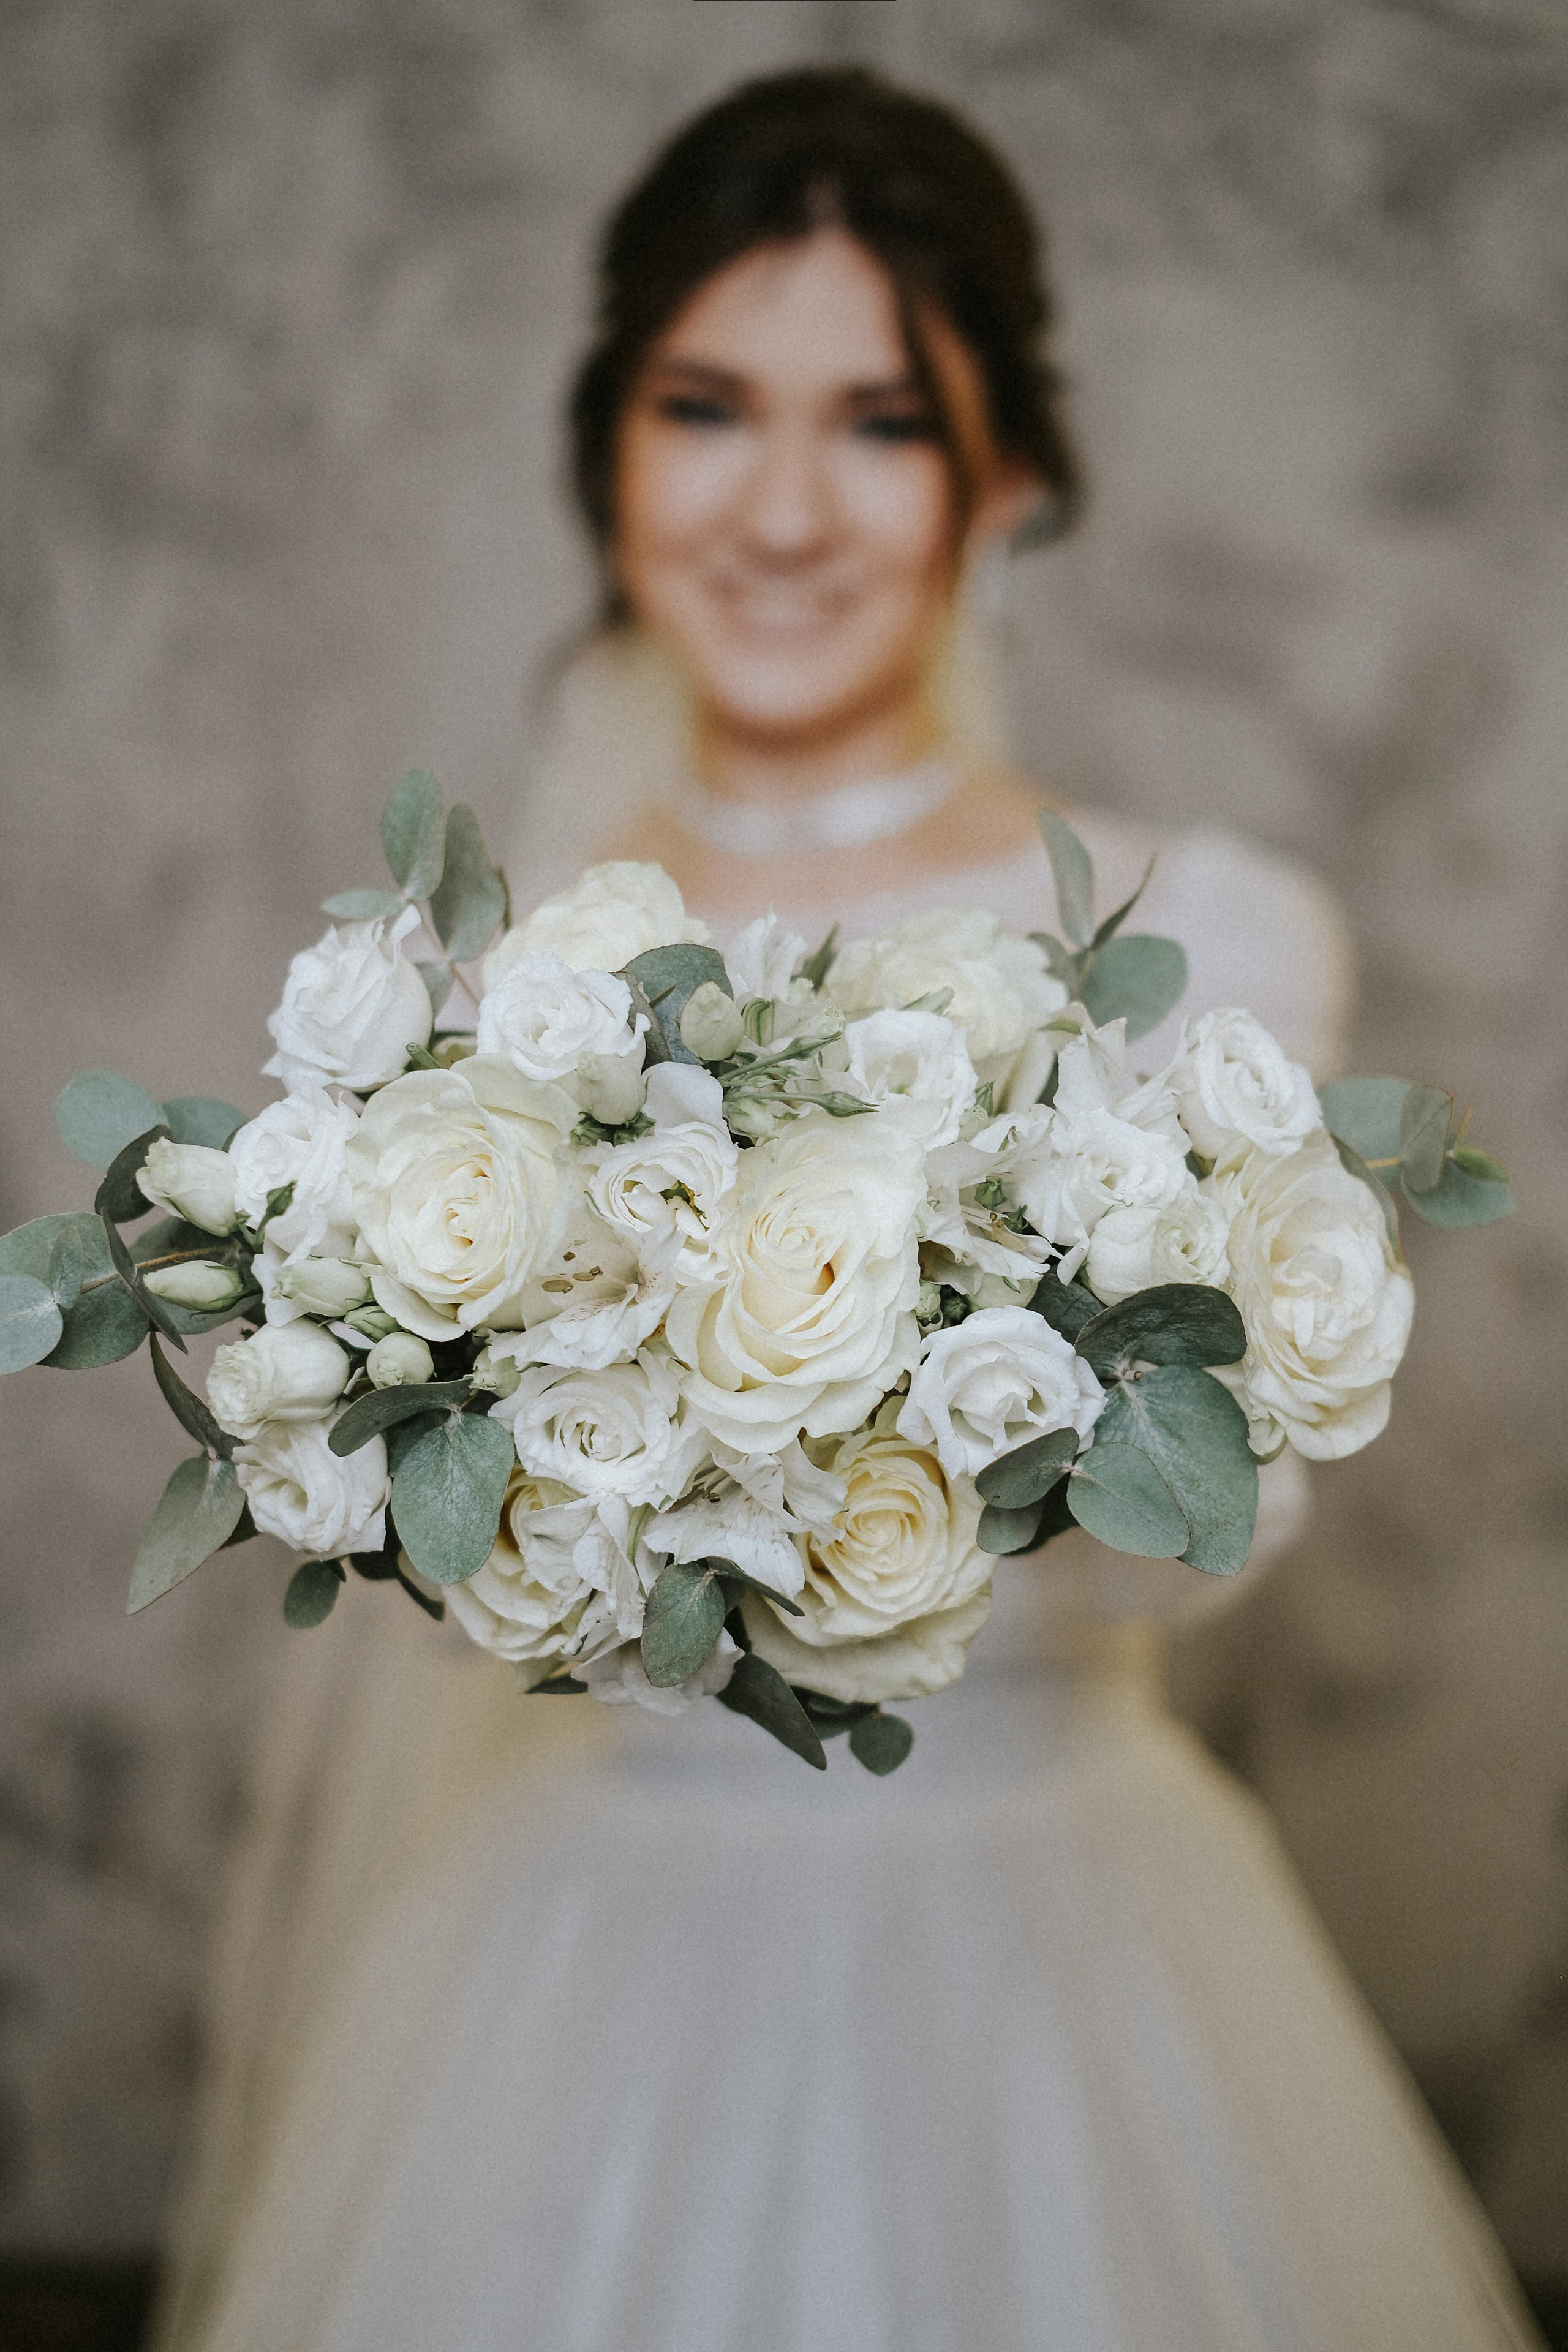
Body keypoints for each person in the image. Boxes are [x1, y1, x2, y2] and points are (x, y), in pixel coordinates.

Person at [153, 69, 1542, 2352]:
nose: (780, 508)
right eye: (707, 407)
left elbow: (1225, 1539)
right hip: (584, 1963)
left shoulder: (1212, 940)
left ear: (1009, 481)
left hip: (1059, 1941)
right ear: (609, 450)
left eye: (882, 423)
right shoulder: (466, 1010)